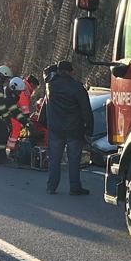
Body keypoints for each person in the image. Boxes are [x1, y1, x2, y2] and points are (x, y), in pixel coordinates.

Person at [43, 61, 92, 196]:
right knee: (74, 160)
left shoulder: (50, 86)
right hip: (74, 130)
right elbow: (86, 110)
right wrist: (89, 129)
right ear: (70, 71)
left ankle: (51, 187)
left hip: (55, 129)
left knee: (54, 159)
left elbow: (45, 106)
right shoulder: (77, 87)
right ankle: (74, 187)